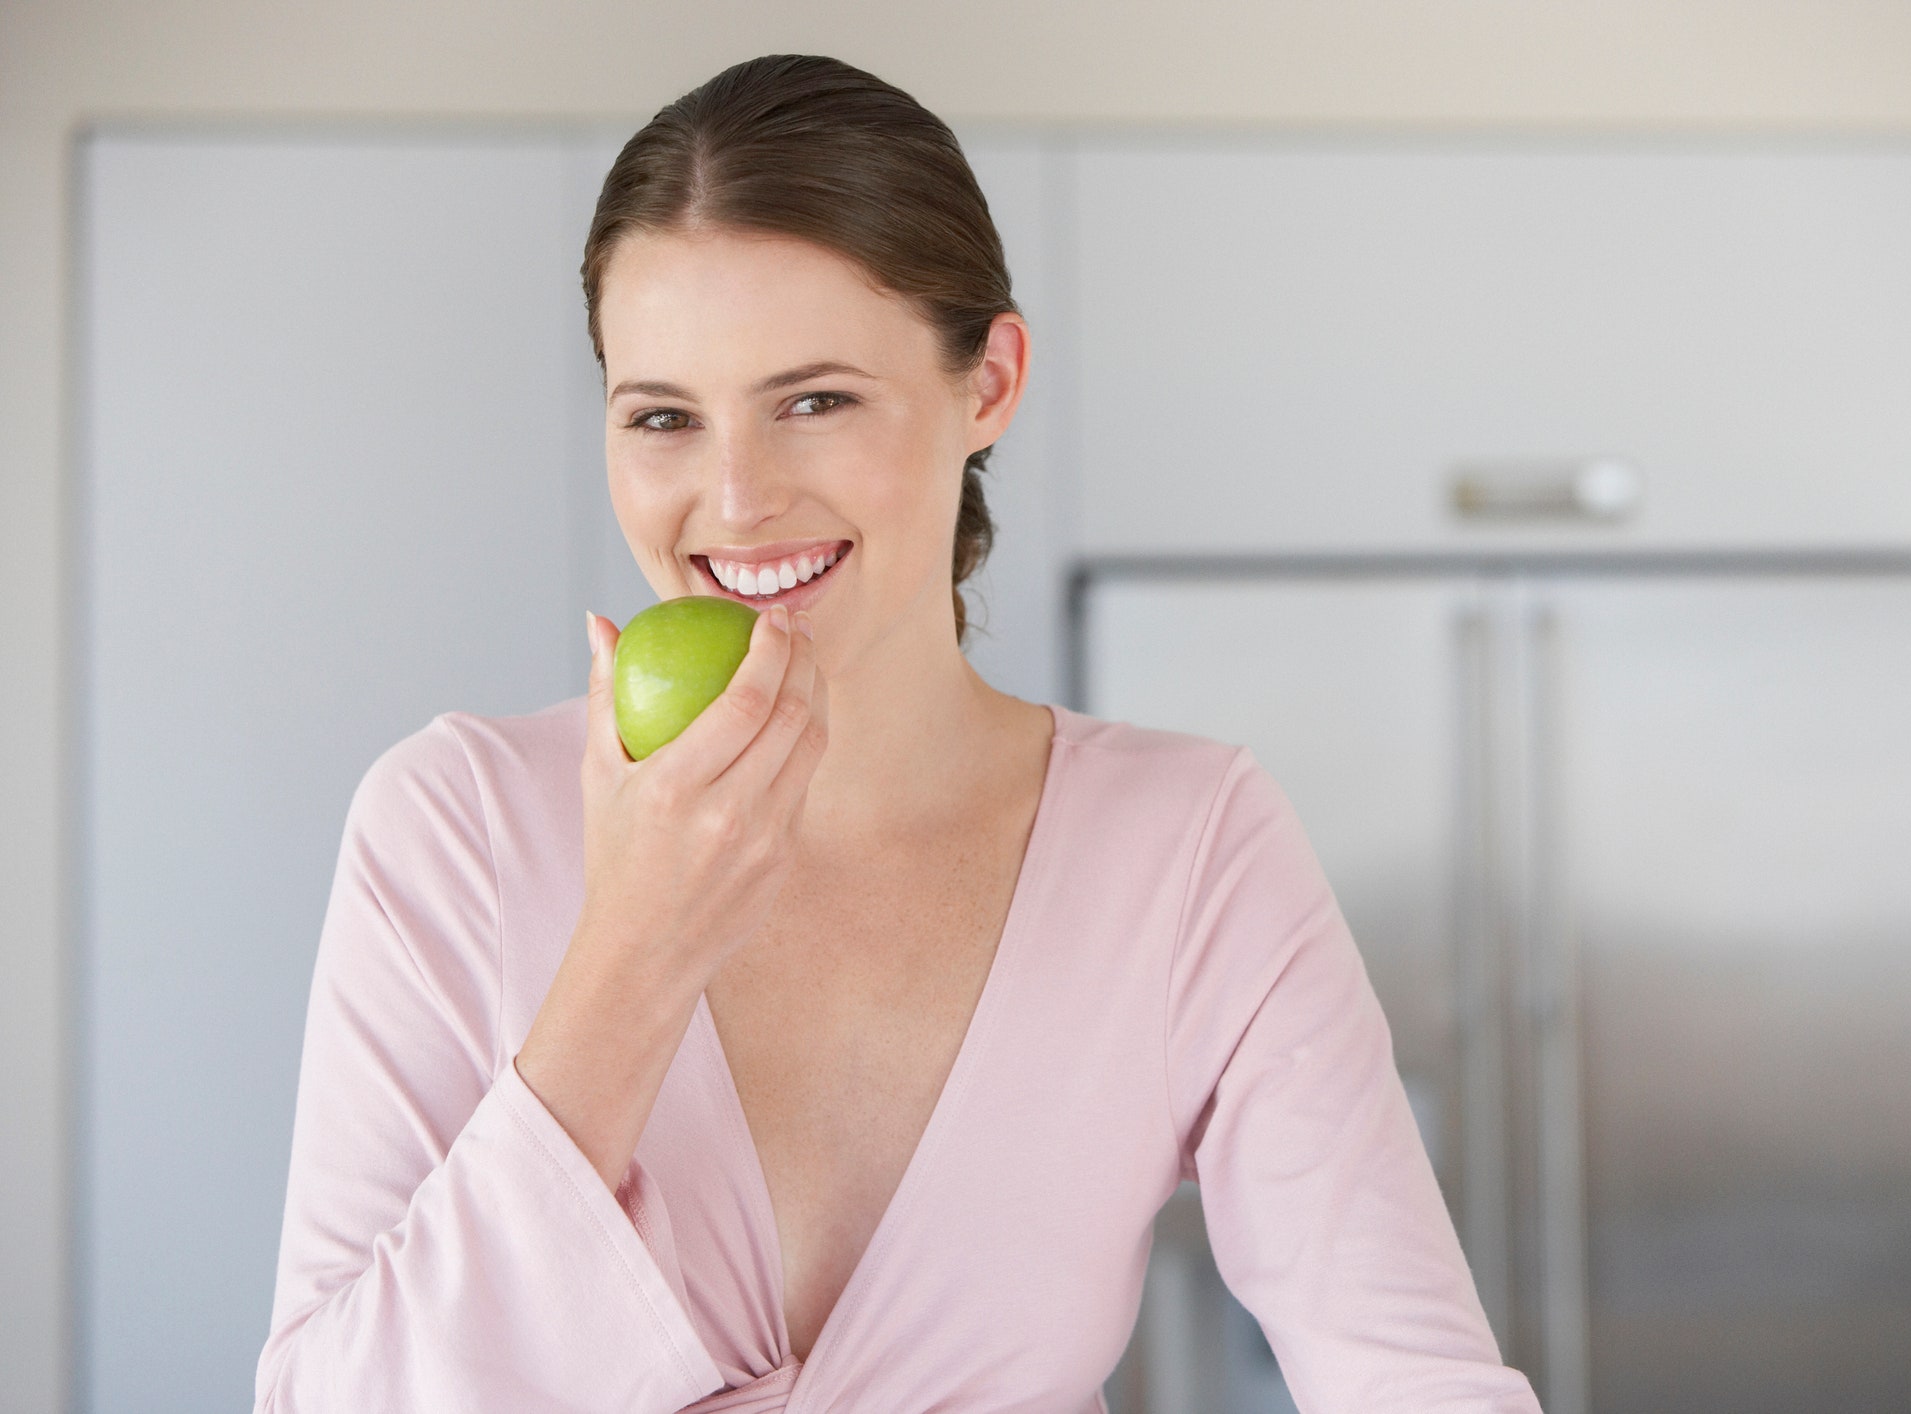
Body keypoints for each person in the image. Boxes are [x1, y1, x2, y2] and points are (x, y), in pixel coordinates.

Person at [254, 54, 1539, 1414]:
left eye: (814, 399)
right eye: (664, 418)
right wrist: (636, 951)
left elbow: (1415, 1384)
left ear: (987, 383)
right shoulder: (453, 824)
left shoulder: (1186, 847)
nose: (735, 499)